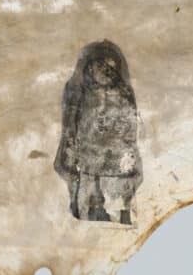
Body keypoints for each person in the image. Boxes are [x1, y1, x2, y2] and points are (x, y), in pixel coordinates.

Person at [54, 40, 142, 224]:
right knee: (91, 192)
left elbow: (131, 129)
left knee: (120, 195)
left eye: (112, 67)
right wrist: (71, 153)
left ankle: (121, 213)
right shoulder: (80, 93)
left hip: (118, 158)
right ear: (89, 68)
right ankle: (94, 209)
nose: (107, 71)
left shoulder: (124, 94)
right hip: (89, 157)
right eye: (101, 65)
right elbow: (71, 126)